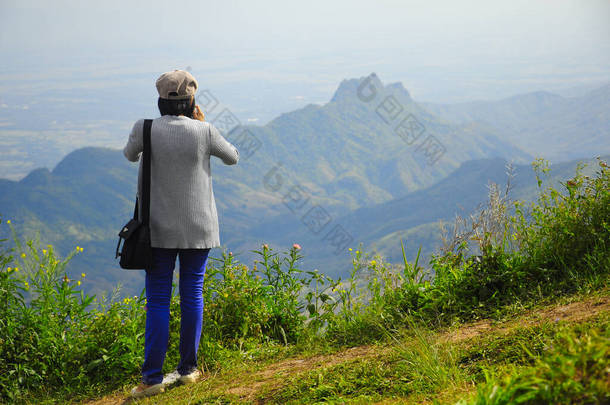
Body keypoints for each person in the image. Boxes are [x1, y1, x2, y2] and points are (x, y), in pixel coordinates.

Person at [122, 70, 239, 398]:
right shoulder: (204, 131)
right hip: (198, 228)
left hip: (156, 229)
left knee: (158, 299)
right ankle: (188, 370)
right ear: (191, 102)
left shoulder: (144, 129)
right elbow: (233, 157)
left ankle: (152, 379)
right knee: (193, 294)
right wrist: (201, 124)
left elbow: (129, 155)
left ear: (160, 101)